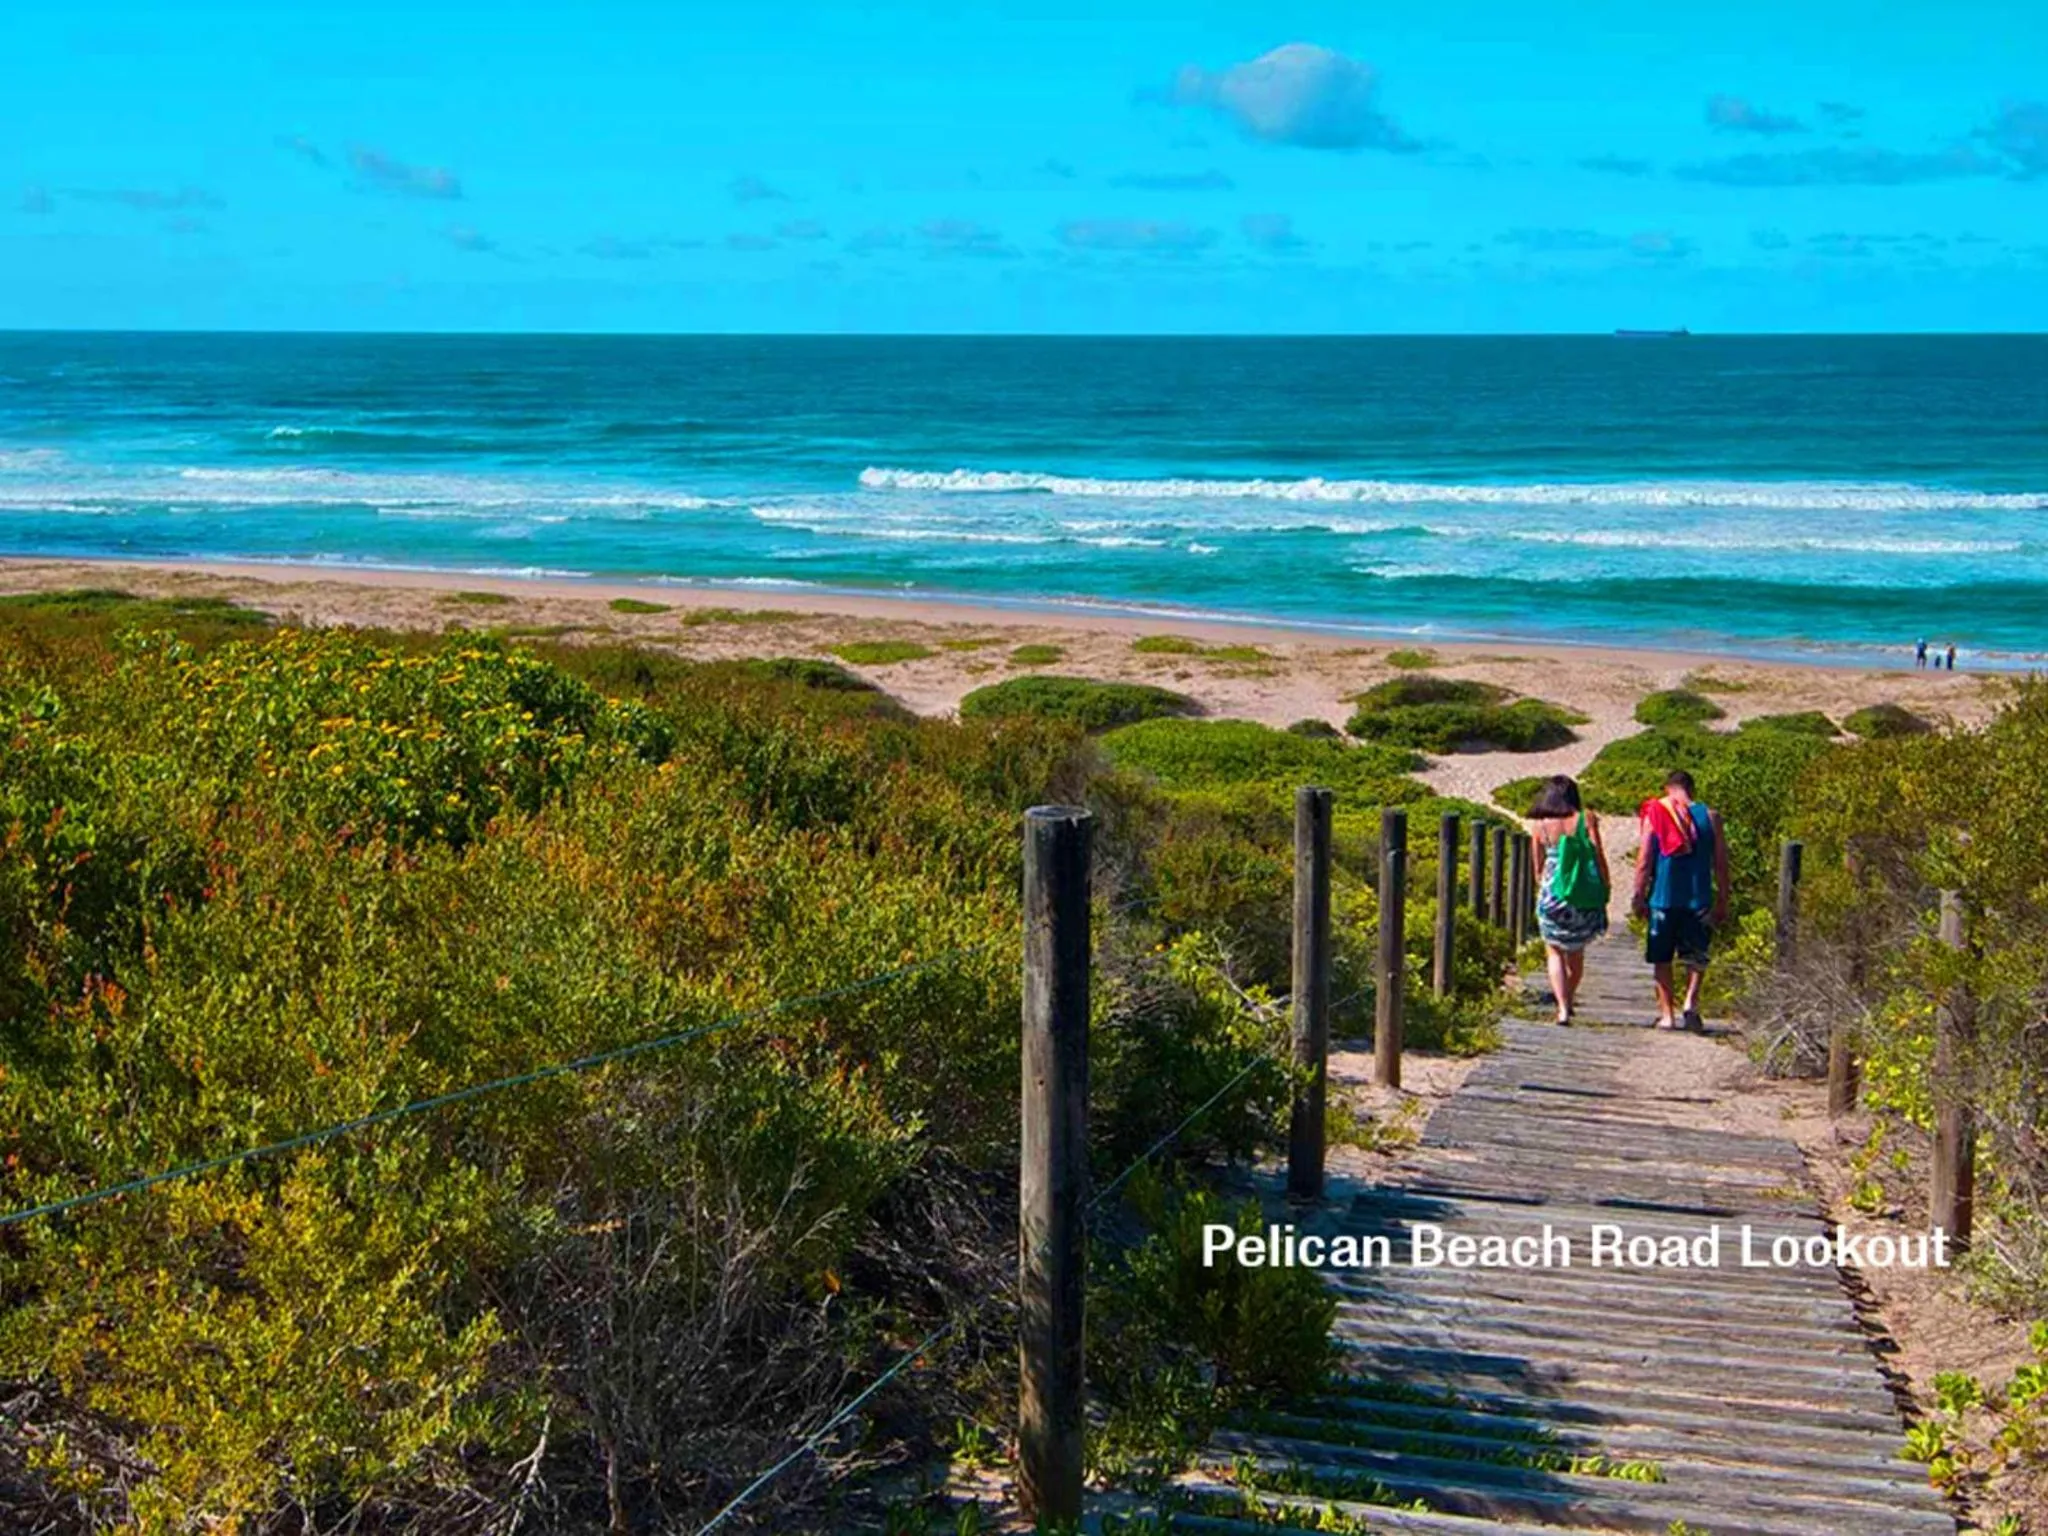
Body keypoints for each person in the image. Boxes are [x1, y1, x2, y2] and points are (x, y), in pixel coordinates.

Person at [1632, 769, 1729, 1031]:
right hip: (1699, 896)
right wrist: (1723, 898)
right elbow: (1721, 863)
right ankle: (1691, 1003)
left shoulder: (1657, 813)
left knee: (1662, 957)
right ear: (1691, 789)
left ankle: (1667, 1015)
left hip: (1664, 898)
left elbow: (1644, 860)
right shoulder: (1711, 817)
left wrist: (1638, 895)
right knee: (1696, 955)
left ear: (1667, 788)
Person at [1528, 775, 1610, 1024]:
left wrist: (1543, 887)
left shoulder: (1540, 825)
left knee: (1553, 952)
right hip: (1581, 893)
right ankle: (1569, 997)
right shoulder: (1586, 819)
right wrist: (1605, 884)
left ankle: (1562, 1007)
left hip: (1552, 893)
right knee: (1576, 953)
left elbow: (1537, 868)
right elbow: (1597, 852)